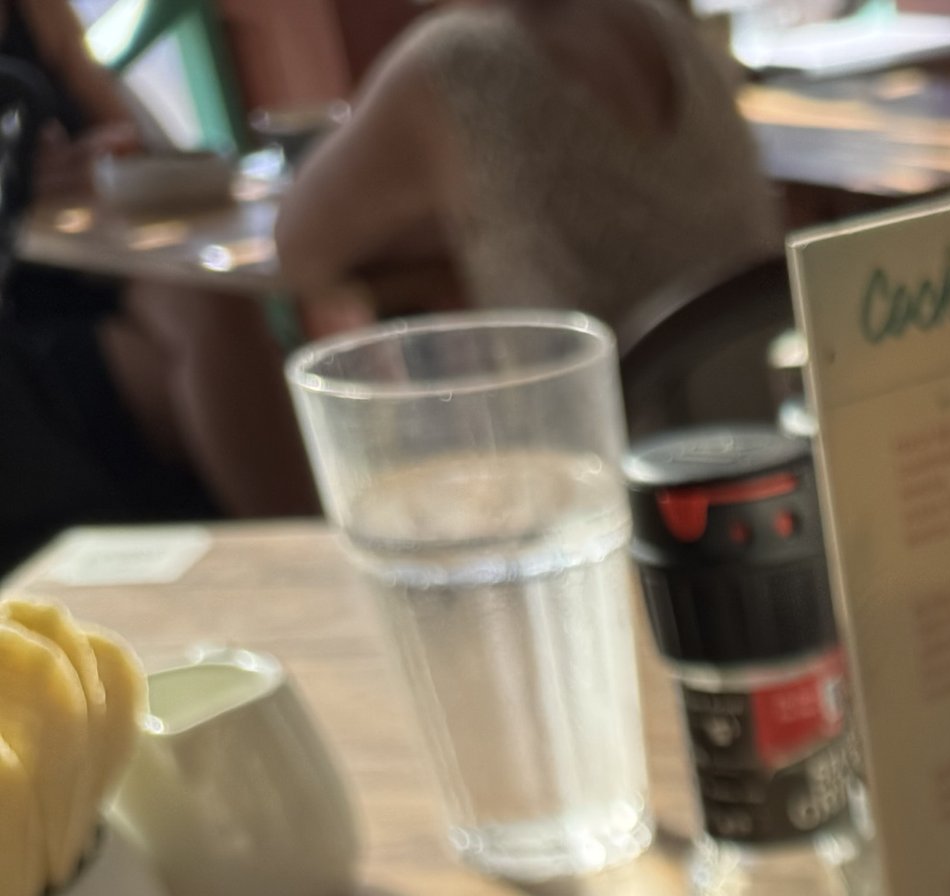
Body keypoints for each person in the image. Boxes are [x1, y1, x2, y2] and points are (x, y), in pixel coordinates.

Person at [0, 0, 315, 575]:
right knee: (219, 347)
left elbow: (129, 137)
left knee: (210, 302)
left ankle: (296, 552)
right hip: (22, 320)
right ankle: (295, 557)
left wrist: (96, 158)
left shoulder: (39, 14)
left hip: (94, 267)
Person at [275, 0, 776, 329]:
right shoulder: (666, 21)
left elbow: (297, 249)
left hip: (605, 442)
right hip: (757, 409)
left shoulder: (459, 60)